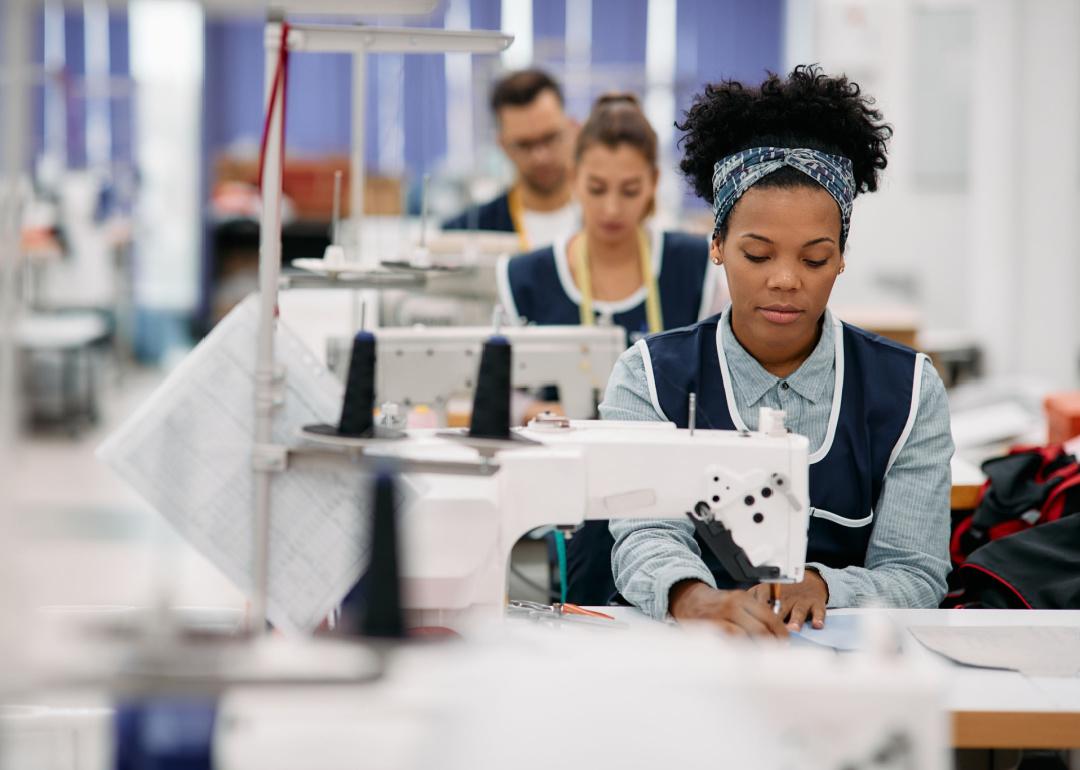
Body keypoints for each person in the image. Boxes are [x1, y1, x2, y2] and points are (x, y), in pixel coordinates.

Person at [602, 66, 954, 638]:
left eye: (814, 259)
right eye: (758, 255)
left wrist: (824, 585)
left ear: (842, 256)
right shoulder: (648, 377)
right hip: (681, 658)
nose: (786, 279)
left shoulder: (909, 392)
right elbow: (645, 534)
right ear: (716, 245)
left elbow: (915, 571)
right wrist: (694, 599)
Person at [497, 92, 726, 606]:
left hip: (673, 501)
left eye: (630, 190)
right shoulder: (525, 278)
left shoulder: (697, 269)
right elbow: (497, 394)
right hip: (566, 502)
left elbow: (726, 377)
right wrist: (534, 410)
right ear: (574, 177)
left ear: (653, 186)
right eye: (597, 189)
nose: (612, 208)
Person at [443, 69, 578, 251]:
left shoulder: (606, 220)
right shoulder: (464, 233)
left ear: (571, 128)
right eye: (524, 145)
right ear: (502, 145)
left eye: (550, 138)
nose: (541, 157)